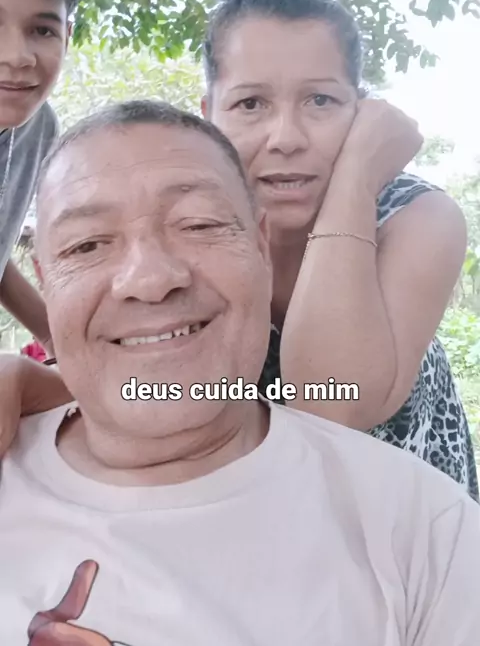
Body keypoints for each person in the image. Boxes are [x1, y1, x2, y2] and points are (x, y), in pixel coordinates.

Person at [0, 100, 479, 645]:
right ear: (45, 280)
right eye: (87, 244)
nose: (151, 279)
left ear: (259, 245)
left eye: (198, 224)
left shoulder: (420, 532)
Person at [0, 0, 477, 501]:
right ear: (209, 115)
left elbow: (330, 401)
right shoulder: (190, 222)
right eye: (251, 104)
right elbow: (158, 382)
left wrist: (356, 179)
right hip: (265, 505)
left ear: (361, 112)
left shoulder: (414, 216)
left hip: (405, 511)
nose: (286, 138)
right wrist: (30, 380)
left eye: (321, 100)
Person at [0, 0, 80, 353]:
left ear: (67, 35)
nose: (17, 56)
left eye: (41, 30)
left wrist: (58, 342)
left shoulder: (38, 127)